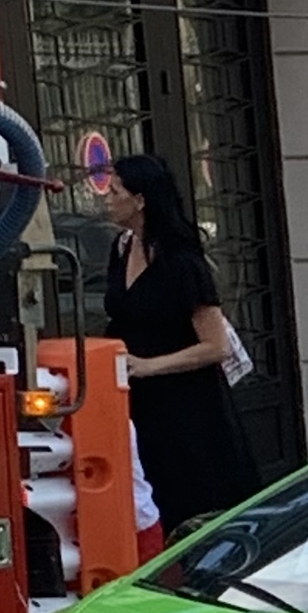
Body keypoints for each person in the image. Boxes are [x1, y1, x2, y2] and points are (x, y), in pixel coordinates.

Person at [96, 154, 257, 535]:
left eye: (114, 190)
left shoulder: (182, 262)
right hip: (139, 400)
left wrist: (150, 365)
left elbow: (216, 345)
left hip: (187, 405)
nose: (106, 198)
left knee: (190, 498)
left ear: (140, 200)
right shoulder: (120, 249)